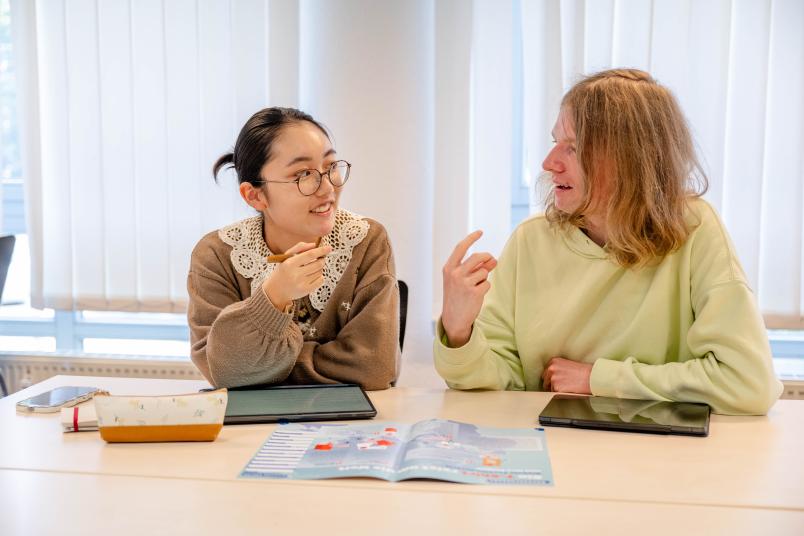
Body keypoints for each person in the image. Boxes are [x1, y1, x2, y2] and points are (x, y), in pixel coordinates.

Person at [434, 69, 782, 415]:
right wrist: (458, 329)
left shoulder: (694, 229)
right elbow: (494, 383)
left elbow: (748, 383)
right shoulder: (531, 240)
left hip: (661, 458)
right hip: (555, 450)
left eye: (572, 148)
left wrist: (598, 379)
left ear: (630, 159)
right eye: (554, 141)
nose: (549, 163)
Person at [188, 107, 399, 390]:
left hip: (350, 425)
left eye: (331, 167)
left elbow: (374, 367)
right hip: (249, 429)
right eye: (303, 174)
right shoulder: (216, 255)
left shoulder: (366, 240)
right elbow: (222, 372)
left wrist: (259, 366)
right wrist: (273, 296)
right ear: (256, 195)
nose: (328, 189)